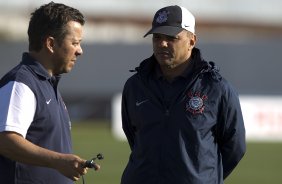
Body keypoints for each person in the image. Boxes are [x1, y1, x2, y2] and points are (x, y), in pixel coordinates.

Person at [121, 5, 246, 184]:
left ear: (192, 41)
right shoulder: (135, 86)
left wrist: (201, 177)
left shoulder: (216, 88)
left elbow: (235, 147)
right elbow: (133, 136)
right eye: (157, 37)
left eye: (171, 38)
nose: (162, 43)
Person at [0, 2, 100, 184]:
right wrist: (58, 161)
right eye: (75, 43)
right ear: (51, 44)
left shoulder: (47, 84)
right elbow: (5, 141)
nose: (80, 51)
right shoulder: (21, 83)